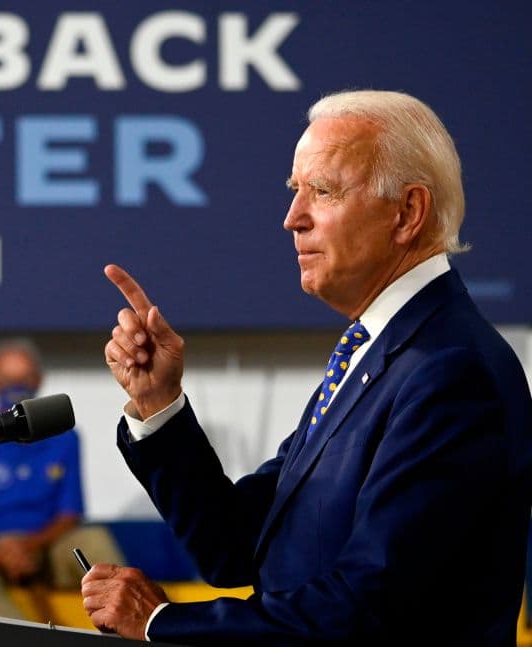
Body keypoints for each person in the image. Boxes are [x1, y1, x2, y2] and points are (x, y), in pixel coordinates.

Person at [82, 90, 532, 645]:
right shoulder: (378, 354)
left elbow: (369, 609)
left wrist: (160, 624)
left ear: (407, 212)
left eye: (323, 191)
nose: (293, 219)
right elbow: (239, 546)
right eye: (296, 191)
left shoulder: (450, 370)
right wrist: (159, 405)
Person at [0, 338, 124, 622]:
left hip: (47, 547)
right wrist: (3, 555)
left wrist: (28, 548)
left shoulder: (65, 438)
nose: (17, 389)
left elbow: (70, 515)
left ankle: (133, 627)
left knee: (94, 540)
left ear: (39, 380)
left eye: (24, 379)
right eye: (8, 380)